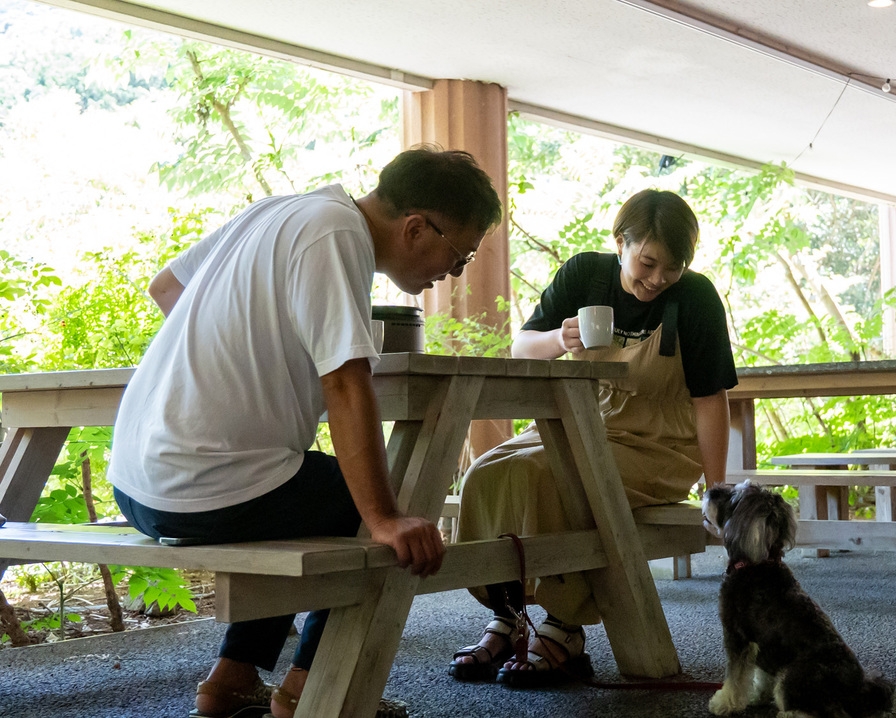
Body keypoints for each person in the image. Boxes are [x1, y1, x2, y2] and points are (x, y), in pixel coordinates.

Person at [107, 146, 503, 718]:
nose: (455, 272)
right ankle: (312, 690)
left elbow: (166, 287)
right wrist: (384, 519)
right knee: (378, 504)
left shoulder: (277, 211)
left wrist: (244, 362)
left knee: (296, 492)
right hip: (202, 488)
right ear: (416, 227)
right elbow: (345, 382)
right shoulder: (336, 233)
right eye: (458, 255)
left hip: (136, 484)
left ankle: (231, 680)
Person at [448, 189, 737, 687]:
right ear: (620, 242)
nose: (658, 279)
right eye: (648, 263)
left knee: (555, 477)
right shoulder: (585, 274)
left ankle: (564, 627)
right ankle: (509, 615)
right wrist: (559, 340)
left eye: (673, 268)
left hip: (658, 444)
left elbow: (710, 399)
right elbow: (522, 347)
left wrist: (718, 492)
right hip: (579, 423)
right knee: (486, 473)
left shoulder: (696, 298)